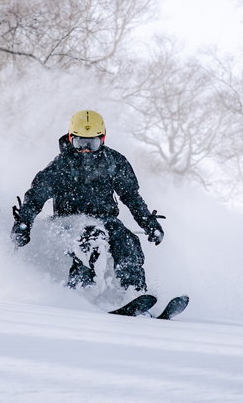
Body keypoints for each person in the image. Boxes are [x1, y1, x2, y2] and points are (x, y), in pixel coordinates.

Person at [11, 109, 164, 292]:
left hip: (106, 219)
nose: (85, 149)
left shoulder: (113, 161)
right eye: (79, 142)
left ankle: (132, 292)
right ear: (70, 138)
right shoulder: (61, 166)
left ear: (103, 139)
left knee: (127, 241)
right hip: (68, 221)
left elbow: (131, 196)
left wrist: (148, 223)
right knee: (92, 238)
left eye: (92, 143)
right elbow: (35, 197)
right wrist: (23, 223)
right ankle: (81, 291)